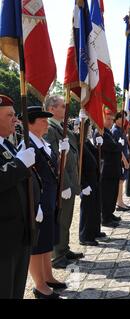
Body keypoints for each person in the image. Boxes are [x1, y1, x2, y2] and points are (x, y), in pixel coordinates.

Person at [23, 105, 67, 299]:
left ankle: (48, 276)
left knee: (47, 240)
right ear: (31, 123)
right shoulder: (27, 146)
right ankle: (39, 285)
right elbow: (30, 179)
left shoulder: (41, 142)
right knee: (37, 244)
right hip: (38, 202)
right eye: (42, 120)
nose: (47, 123)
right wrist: (36, 204)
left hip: (49, 201)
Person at [0, 95, 37, 299]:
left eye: (15, 115)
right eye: (10, 115)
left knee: (16, 289)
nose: (16, 119)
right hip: (3, 238)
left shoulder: (8, 144)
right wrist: (19, 164)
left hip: (18, 233)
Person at [44, 95, 84, 269]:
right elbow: (55, 159)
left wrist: (84, 122)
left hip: (69, 180)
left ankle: (64, 248)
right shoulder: (49, 128)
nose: (65, 109)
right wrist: (65, 184)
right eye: (62, 106)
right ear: (51, 109)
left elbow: (76, 142)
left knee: (66, 218)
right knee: (60, 218)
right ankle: (57, 255)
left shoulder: (61, 126)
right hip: (62, 183)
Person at [78, 113, 103, 246]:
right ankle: (85, 236)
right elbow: (78, 165)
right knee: (87, 209)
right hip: (87, 181)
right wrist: (83, 184)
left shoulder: (87, 141)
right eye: (86, 127)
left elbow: (95, 156)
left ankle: (94, 231)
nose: (88, 129)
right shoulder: (79, 141)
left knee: (95, 207)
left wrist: (98, 146)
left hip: (94, 178)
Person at [96, 108, 123, 228]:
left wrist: (118, 145)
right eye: (108, 119)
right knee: (106, 196)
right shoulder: (99, 132)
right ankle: (105, 218)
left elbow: (115, 146)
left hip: (114, 168)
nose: (111, 121)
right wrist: (119, 145)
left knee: (113, 194)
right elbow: (111, 147)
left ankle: (110, 213)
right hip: (106, 169)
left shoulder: (108, 132)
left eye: (112, 119)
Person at [111, 112, 130, 211]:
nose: (124, 120)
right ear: (117, 119)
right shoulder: (115, 131)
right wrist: (124, 161)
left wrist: (128, 158)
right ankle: (119, 203)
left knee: (122, 181)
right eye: (122, 118)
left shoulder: (121, 130)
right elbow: (118, 149)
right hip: (120, 160)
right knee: (120, 181)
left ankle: (121, 201)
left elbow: (125, 145)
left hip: (125, 158)